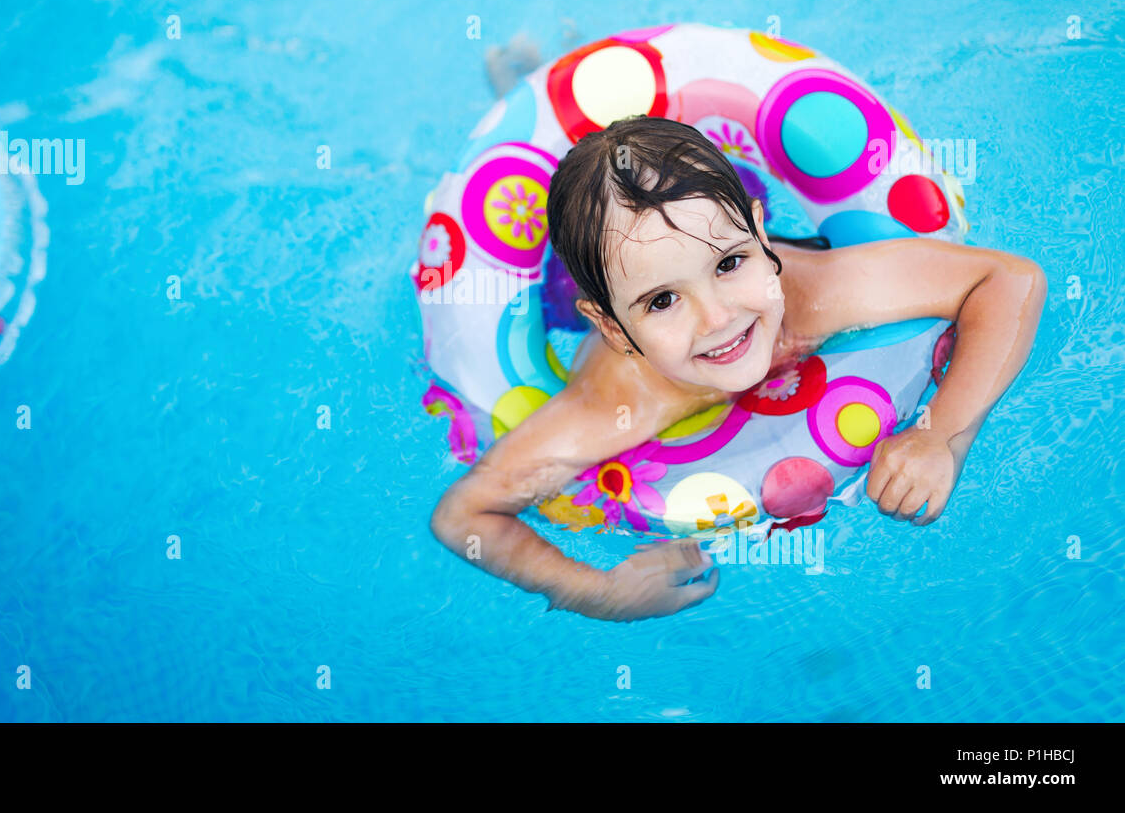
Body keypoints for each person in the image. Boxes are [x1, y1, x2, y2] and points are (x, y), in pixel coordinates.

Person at [429, 114, 1047, 622]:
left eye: (729, 264)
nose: (719, 318)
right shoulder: (617, 403)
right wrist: (593, 592)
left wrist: (942, 433)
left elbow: (1009, 279)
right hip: (566, 298)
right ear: (615, 329)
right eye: (663, 301)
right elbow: (464, 515)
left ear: (760, 232)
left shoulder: (821, 294)